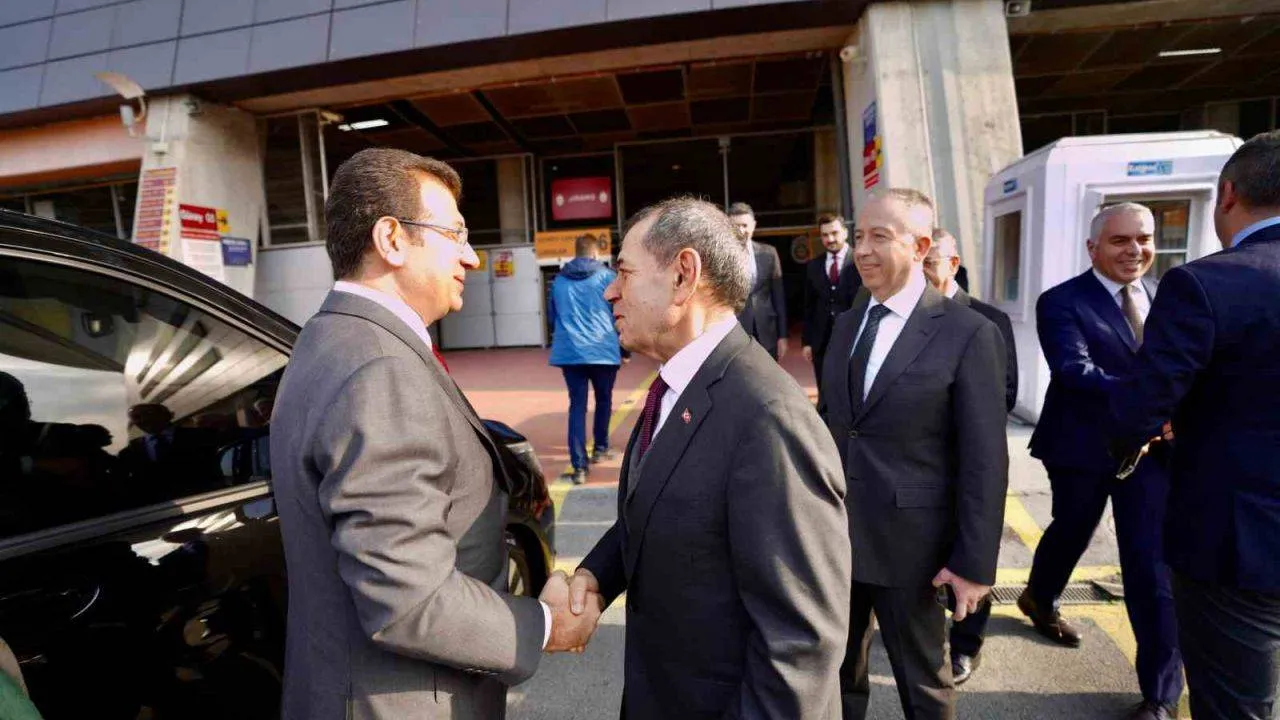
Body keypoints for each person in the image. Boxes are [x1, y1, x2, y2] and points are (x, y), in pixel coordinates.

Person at [269, 148, 600, 719]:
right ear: (392, 239)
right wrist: (544, 624)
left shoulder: (331, 338)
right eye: (455, 234)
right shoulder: (380, 370)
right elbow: (407, 598)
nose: (471, 256)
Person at [566, 197, 851, 718]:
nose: (610, 291)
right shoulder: (679, 382)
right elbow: (664, 506)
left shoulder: (768, 417)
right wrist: (595, 577)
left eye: (624, 273)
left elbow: (801, 645)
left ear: (683, 276)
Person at [1110, 131, 1280, 720]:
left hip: (1239, 544)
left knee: (1236, 706)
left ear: (1227, 194)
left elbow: (1140, 406)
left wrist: (1152, 430)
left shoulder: (1207, 283)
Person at [821, 188, 1008, 720]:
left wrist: (973, 564)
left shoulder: (968, 332)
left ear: (921, 246)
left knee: (924, 686)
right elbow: (834, 424)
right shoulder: (847, 324)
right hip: (834, 539)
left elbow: (985, 460)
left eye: (879, 237)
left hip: (913, 550)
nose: (862, 249)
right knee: (835, 678)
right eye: (859, 236)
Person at [1026, 202, 1181, 720]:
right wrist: (1152, 402)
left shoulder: (1170, 296)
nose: (1135, 250)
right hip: (1080, 447)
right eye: (1120, 240)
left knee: (1150, 564)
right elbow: (1074, 370)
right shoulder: (1061, 301)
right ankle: (1039, 598)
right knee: (1072, 530)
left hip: (1152, 452)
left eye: (1144, 238)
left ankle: (1160, 695)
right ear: (1093, 248)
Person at [923, 228, 1019, 685]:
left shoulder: (987, 320)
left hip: (967, 462)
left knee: (972, 552)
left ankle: (966, 645)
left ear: (953, 263)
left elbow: (1006, 391)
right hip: (916, 468)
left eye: (930, 262)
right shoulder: (898, 317)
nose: (922, 271)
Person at [548, 234, 624, 485]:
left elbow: (552, 316)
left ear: (577, 252)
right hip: (603, 350)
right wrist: (625, 350)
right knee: (604, 400)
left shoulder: (559, 280)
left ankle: (579, 467)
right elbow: (620, 312)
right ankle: (601, 448)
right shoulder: (607, 277)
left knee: (577, 406)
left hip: (570, 352)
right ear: (594, 253)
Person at [802, 213, 860, 398]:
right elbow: (808, 306)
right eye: (825, 235)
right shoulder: (813, 266)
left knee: (853, 388)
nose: (830, 239)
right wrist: (807, 342)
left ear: (845, 232)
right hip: (822, 341)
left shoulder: (860, 260)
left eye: (834, 233)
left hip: (854, 336)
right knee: (825, 390)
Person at [729, 202, 789, 360]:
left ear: (753, 225)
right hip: (736, 332)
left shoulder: (769, 253)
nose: (741, 230)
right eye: (736, 226)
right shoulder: (721, 257)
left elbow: (779, 297)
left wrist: (783, 335)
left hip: (767, 330)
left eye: (744, 225)